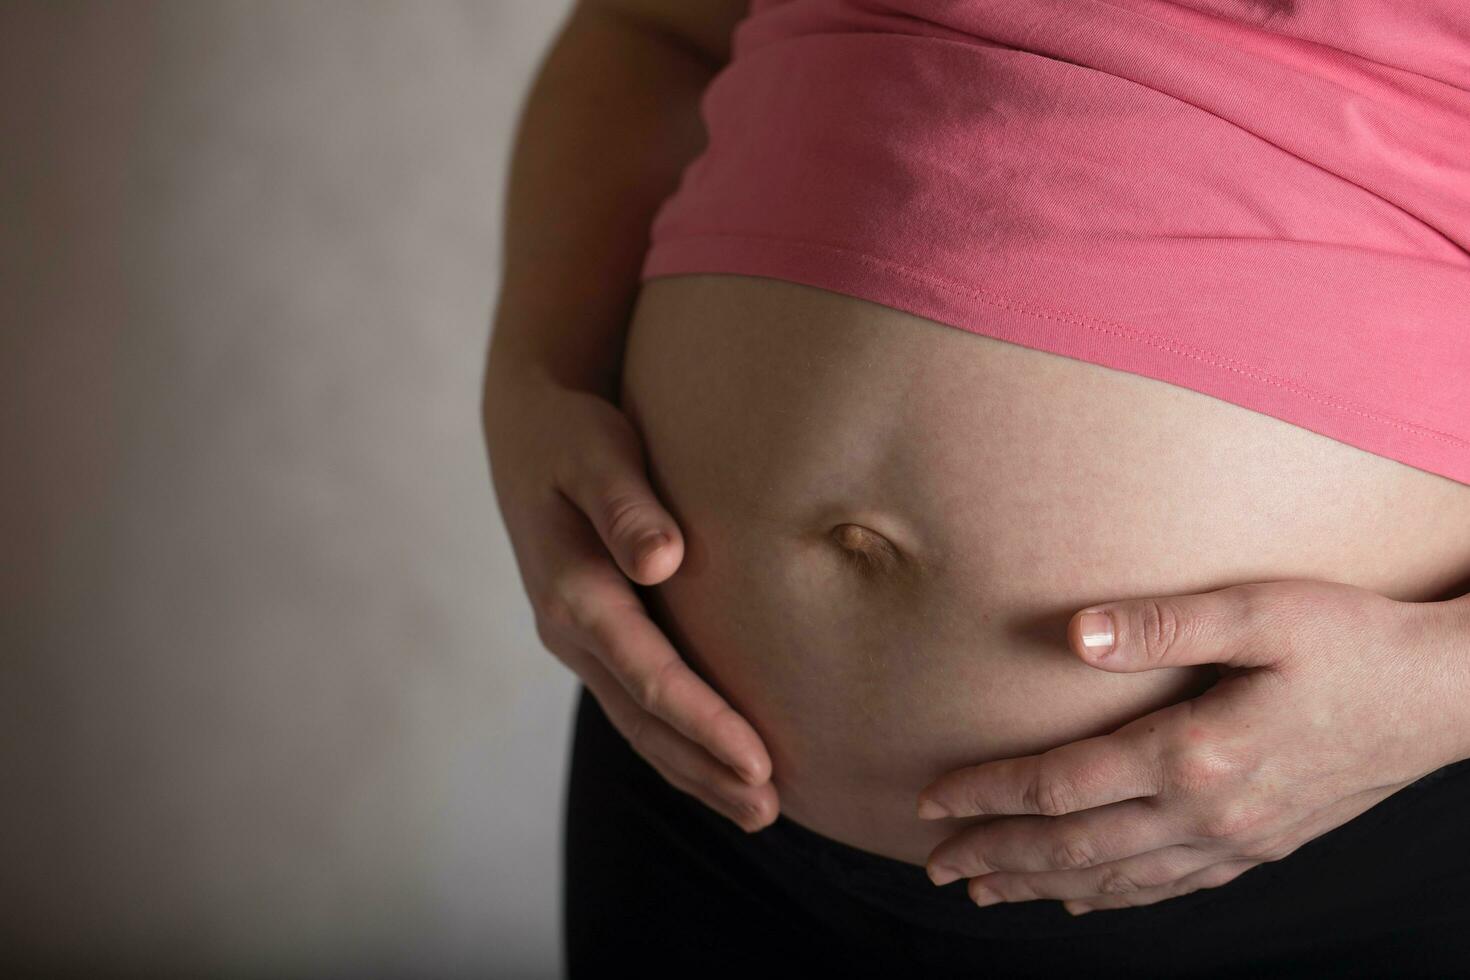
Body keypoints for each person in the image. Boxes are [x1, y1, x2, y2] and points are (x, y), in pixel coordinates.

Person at [482, 0, 1470, 974]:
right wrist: (532, 374)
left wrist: (1437, 694)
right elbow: (651, 28)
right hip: (693, 792)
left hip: (1282, 846)